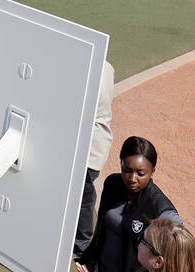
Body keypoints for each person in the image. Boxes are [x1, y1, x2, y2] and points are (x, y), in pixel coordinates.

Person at [76, 137, 183, 272]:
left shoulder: (160, 209)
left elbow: (180, 250)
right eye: (127, 171)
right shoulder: (112, 184)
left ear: (152, 172)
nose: (132, 179)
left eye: (141, 173)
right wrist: (90, 261)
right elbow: (101, 231)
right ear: (120, 164)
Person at [75, 61, 116, 258]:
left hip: (91, 146)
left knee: (84, 196)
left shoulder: (90, 70)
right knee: (83, 194)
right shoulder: (106, 66)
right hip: (95, 143)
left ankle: (81, 245)